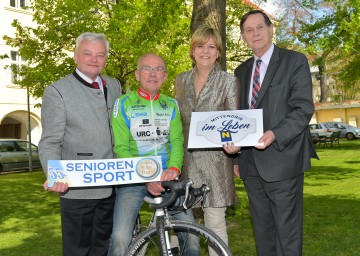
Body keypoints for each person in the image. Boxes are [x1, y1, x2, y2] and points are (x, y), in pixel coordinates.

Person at [224, 10, 318, 256]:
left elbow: (303, 108)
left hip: (283, 158)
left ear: (270, 29)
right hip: (251, 164)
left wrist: (275, 133)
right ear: (243, 36)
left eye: (259, 28)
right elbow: (239, 118)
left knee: (287, 234)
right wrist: (235, 154)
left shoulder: (294, 61)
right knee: (263, 232)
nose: (255, 33)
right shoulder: (241, 72)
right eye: (248, 30)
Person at [108, 53, 199, 256]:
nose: (153, 74)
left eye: (158, 69)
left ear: (165, 77)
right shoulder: (122, 103)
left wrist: (174, 168)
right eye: (147, 68)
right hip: (133, 178)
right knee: (120, 239)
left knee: (192, 239)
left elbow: (177, 142)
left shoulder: (171, 104)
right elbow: (121, 148)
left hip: (168, 177)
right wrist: (147, 174)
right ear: (138, 75)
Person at [39, 32, 122, 256]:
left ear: (106, 58)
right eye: (87, 54)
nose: (94, 59)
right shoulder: (57, 91)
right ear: (75, 56)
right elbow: (49, 142)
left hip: (110, 186)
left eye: (100, 55)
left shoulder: (114, 86)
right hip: (77, 190)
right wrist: (55, 175)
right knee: (78, 251)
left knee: (103, 249)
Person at [174, 24, 240, 256]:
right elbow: (175, 123)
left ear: (218, 52)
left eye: (211, 47)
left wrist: (233, 145)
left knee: (215, 224)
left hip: (216, 162)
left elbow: (232, 122)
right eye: (200, 46)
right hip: (185, 163)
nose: (205, 51)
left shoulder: (228, 82)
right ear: (192, 50)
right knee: (177, 224)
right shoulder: (180, 81)